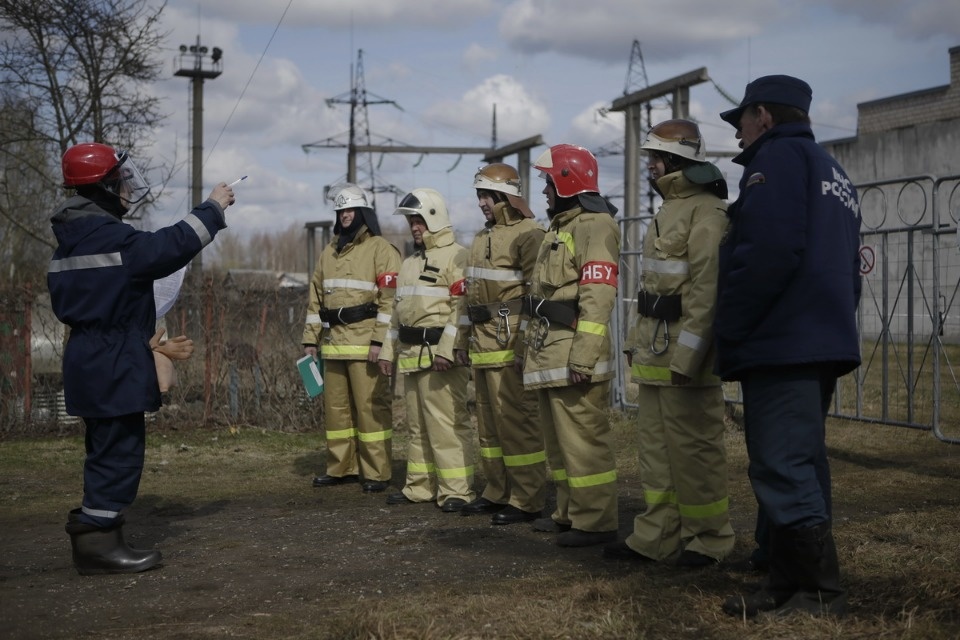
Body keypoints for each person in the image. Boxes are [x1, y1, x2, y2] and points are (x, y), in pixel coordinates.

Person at [49, 142, 235, 575]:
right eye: (121, 182)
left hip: (86, 359)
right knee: (120, 453)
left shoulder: (67, 245)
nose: (128, 191)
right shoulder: (112, 238)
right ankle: (99, 547)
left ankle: (98, 538)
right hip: (115, 362)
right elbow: (170, 247)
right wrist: (213, 207)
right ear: (103, 187)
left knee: (103, 450)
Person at [714, 75, 861, 617]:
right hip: (819, 336)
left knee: (781, 463)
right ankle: (788, 582)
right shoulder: (832, 170)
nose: (738, 134)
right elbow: (849, 269)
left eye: (742, 122)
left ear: (765, 117)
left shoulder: (773, 163)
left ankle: (815, 592)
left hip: (782, 340)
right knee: (802, 460)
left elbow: (765, 255)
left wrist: (731, 327)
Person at [603, 119, 736, 567]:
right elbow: (651, 290)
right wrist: (633, 343)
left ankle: (710, 541)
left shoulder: (707, 211)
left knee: (695, 451)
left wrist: (690, 355)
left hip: (684, 359)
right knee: (657, 454)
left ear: (677, 160)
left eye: (654, 158)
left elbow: (706, 290)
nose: (649, 165)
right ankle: (658, 536)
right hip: (656, 355)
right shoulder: (669, 209)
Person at [520, 144, 621, 547]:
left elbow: (598, 297)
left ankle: (595, 522)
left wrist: (583, 357)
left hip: (574, 355)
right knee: (560, 444)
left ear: (567, 181)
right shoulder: (559, 227)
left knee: (584, 442)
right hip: (549, 352)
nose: (544, 190)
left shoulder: (595, 226)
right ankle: (569, 512)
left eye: (548, 181)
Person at [455, 164, 548, 525]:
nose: (481, 203)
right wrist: (462, 341)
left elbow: (534, 295)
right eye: (478, 196)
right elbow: (469, 299)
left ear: (505, 197)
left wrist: (524, 347)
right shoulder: (480, 238)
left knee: (517, 423)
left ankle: (526, 498)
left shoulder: (530, 234)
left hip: (509, 344)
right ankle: (496, 491)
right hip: (482, 346)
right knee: (489, 427)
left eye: (487, 196)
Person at [379, 188, 476, 512]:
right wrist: (386, 353)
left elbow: (459, 309)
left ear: (435, 219)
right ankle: (419, 487)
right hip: (411, 355)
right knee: (418, 426)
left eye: (419, 220)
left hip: (439, 358)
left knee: (446, 424)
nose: (414, 226)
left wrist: (447, 350)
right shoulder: (409, 263)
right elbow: (396, 312)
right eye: (411, 221)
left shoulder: (457, 256)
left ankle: (456, 491)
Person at [302, 185, 400, 494]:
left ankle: (377, 472)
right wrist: (310, 340)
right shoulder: (328, 252)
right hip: (333, 346)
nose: (345, 216)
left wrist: (379, 343)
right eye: (341, 212)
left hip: (365, 347)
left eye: (350, 211)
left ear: (363, 214)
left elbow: (390, 301)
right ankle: (341, 467)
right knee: (337, 413)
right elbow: (315, 300)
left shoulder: (380, 249)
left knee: (372, 411)